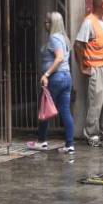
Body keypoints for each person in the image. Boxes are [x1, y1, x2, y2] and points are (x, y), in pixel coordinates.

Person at [74, 0, 103, 147]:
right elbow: (78, 45)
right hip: (97, 68)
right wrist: (82, 66)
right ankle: (92, 135)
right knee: (96, 103)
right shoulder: (89, 22)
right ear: (101, 5)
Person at [31, 11, 74, 153]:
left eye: (47, 22)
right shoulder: (64, 38)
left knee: (44, 108)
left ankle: (42, 141)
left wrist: (46, 74)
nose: (44, 24)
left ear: (53, 24)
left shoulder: (54, 38)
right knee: (65, 111)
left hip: (56, 78)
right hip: (66, 77)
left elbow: (60, 57)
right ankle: (69, 145)